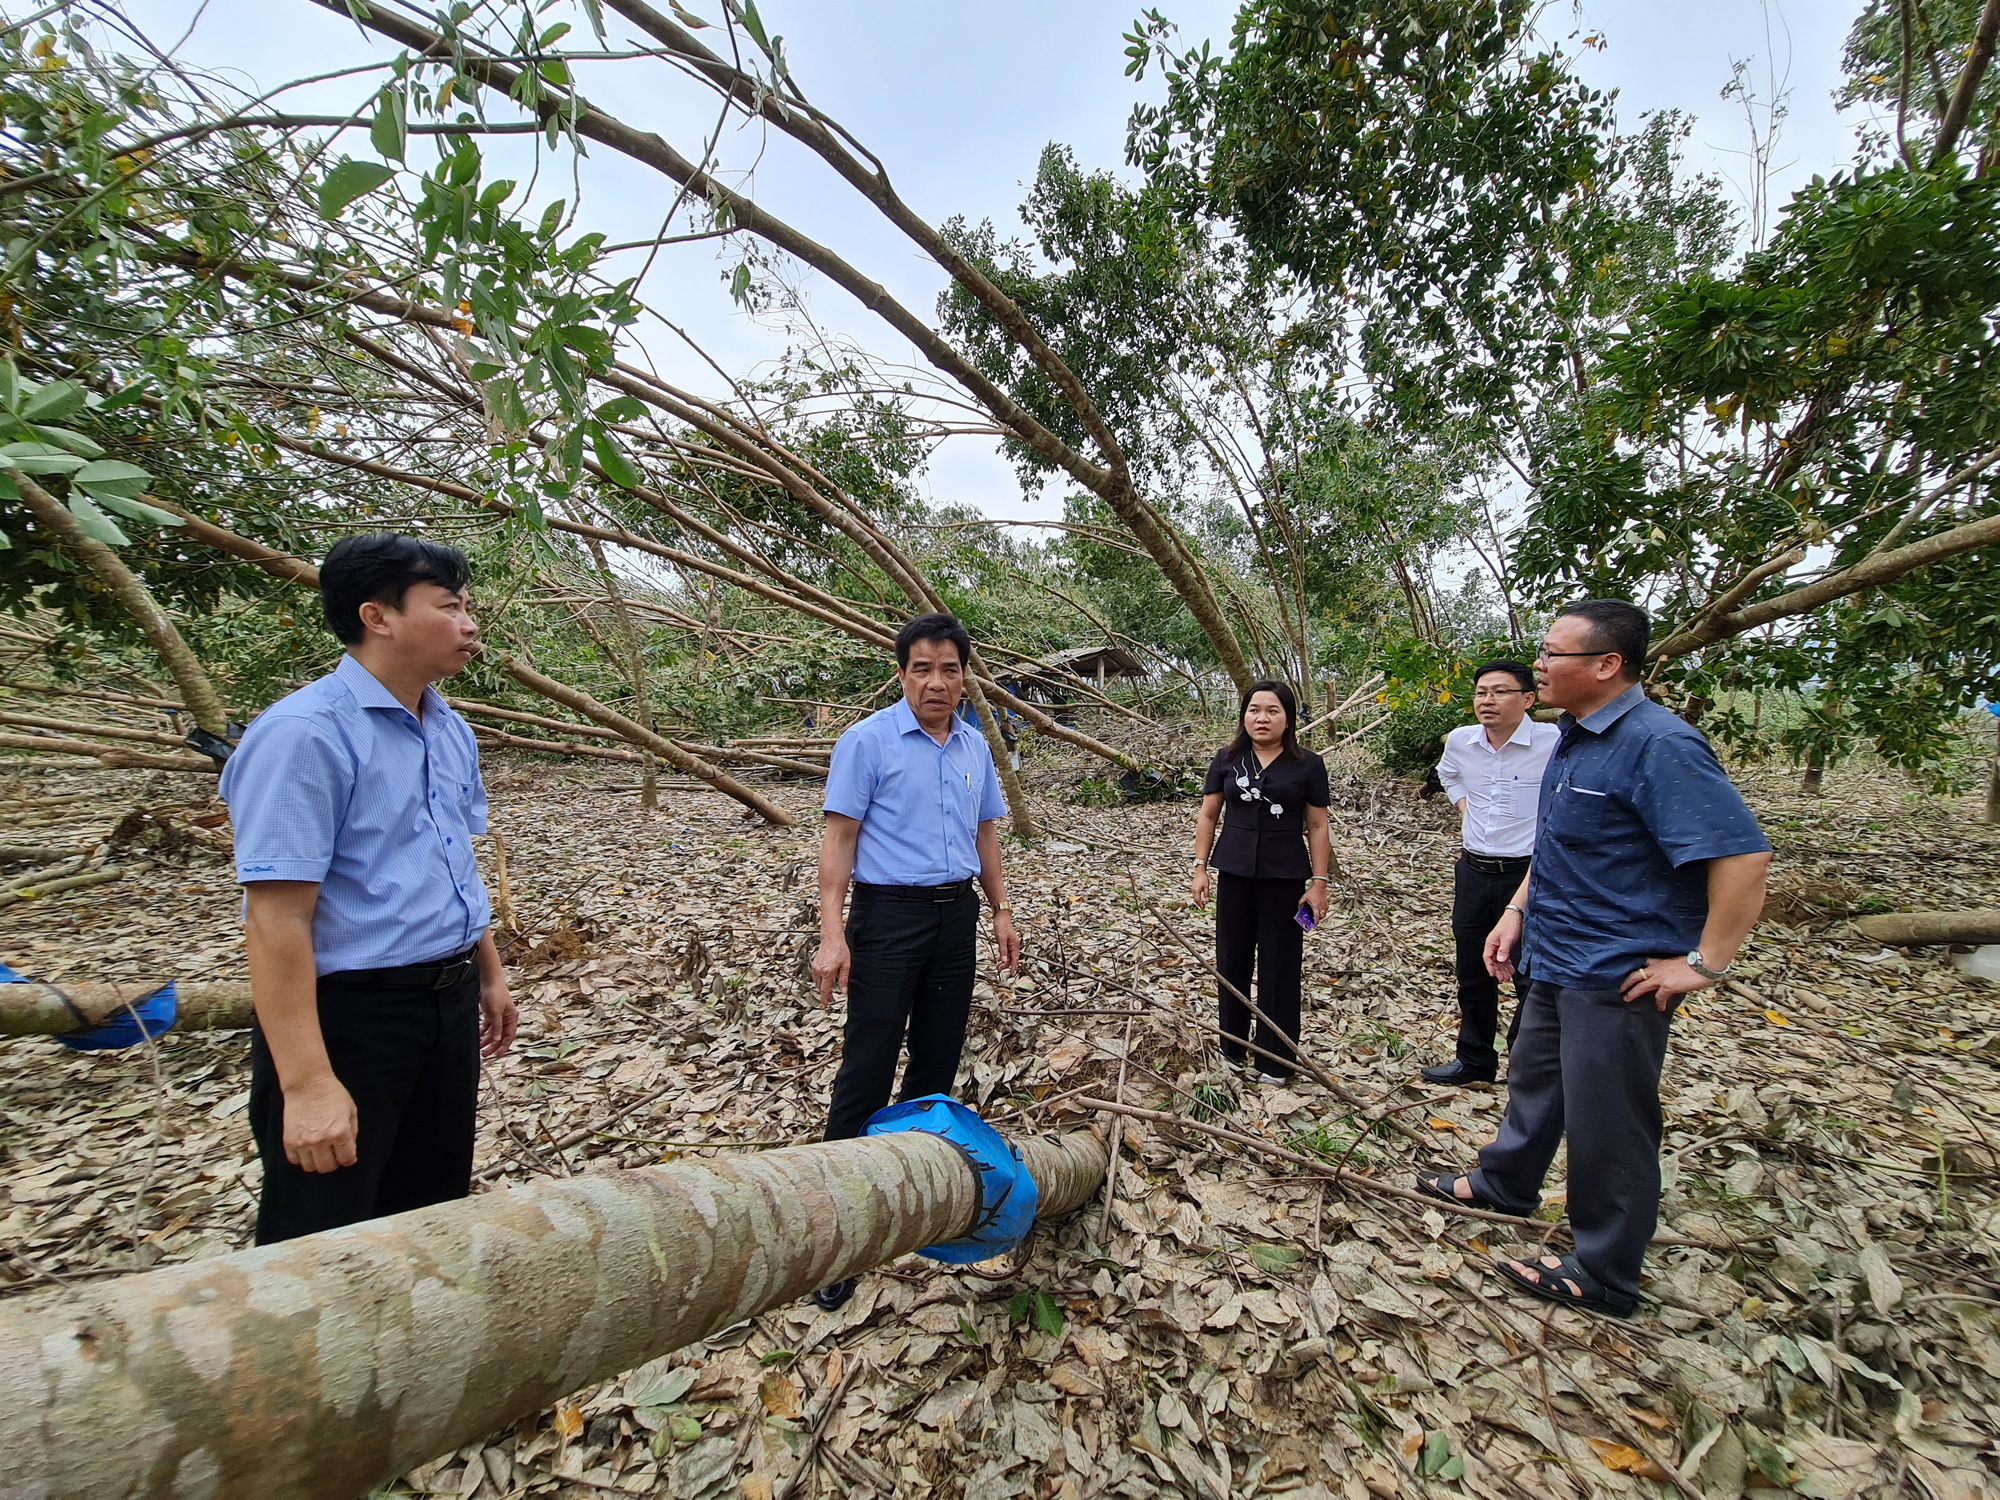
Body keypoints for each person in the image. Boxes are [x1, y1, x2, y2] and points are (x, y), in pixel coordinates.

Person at [1415, 600, 1770, 1317]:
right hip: (1554, 947)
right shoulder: (1573, 736)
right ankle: (1505, 1182)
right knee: (1536, 1078)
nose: (1538, 667)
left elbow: (1743, 855)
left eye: (1554, 655)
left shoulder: (1657, 744)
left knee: (1609, 1117)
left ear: (1607, 665)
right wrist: (1516, 913)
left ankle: (1605, 1269)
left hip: (1618, 969)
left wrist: (1704, 964)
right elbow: (1556, 845)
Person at [219, 534, 518, 1245]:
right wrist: (307, 1083)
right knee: (323, 1232)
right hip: (351, 1017)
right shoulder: (303, 735)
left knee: (426, 1209)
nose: (470, 623)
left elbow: (450, 860)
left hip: (444, 1005)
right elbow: (276, 920)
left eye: (468, 606)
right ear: (378, 617)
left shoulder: (446, 728)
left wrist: (489, 972)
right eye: (449, 606)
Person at [811, 612, 1021, 1309]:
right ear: (901, 673)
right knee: (868, 1061)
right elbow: (839, 841)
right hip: (887, 917)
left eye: (950, 669)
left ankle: (917, 1197)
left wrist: (1001, 911)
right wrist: (832, 934)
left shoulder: (973, 748)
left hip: (954, 913)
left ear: (966, 677)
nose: (937, 682)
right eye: (923, 668)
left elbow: (986, 832)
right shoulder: (865, 742)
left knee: (936, 1061)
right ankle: (839, 1230)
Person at [1420, 661, 1559, 1086]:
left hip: (1530, 873)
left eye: (1500, 692)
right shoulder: (1462, 742)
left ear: (1528, 699)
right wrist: (1466, 808)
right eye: (1481, 692)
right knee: (1472, 969)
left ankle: (1526, 1066)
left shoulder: (1553, 741)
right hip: (1474, 869)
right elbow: (1447, 775)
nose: (1488, 701)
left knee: (1526, 972)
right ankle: (1475, 1061)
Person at [1190, 681, 1332, 1084]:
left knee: (1280, 964)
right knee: (1232, 960)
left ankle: (1275, 1060)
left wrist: (1318, 883)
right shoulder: (1227, 759)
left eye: (1272, 711)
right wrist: (1200, 867)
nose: (1262, 718)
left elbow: (1318, 824)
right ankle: (1232, 1048)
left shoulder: (1307, 764)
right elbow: (1208, 815)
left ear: (1288, 719)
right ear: (1243, 716)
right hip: (1233, 871)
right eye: (1254, 710)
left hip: (1285, 876)